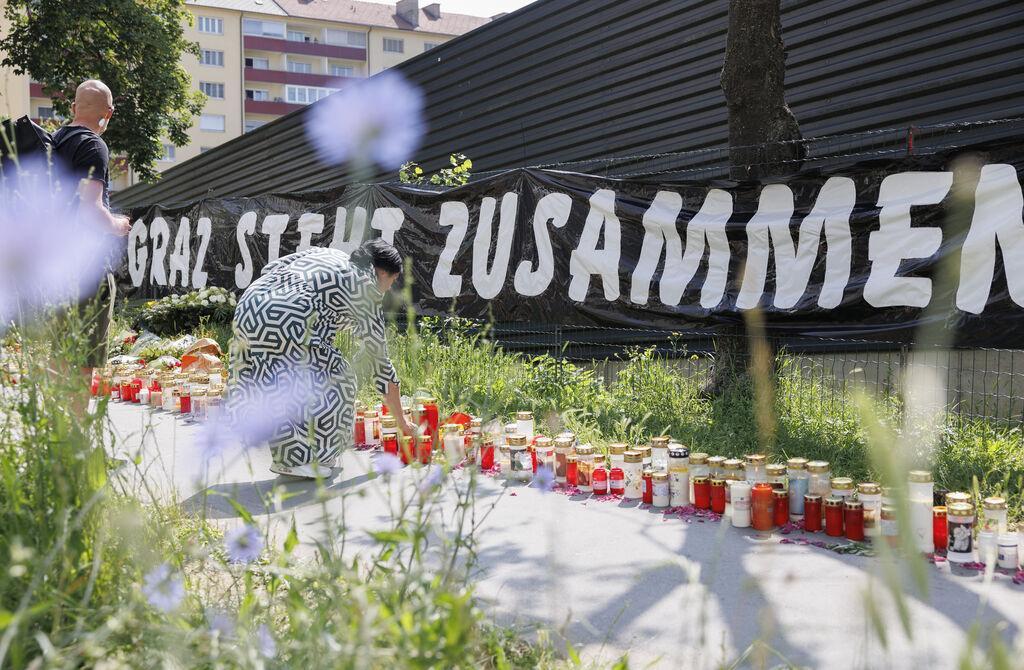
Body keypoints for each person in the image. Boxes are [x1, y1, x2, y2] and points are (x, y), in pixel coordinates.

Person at [228, 239, 416, 479]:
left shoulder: (328, 254)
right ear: (380, 272)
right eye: (391, 280)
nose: (389, 288)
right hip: (290, 319)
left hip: (249, 308)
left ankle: (296, 456)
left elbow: (271, 269)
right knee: (341, 382)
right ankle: (307, 458)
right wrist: (402, 422)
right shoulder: (365, 285)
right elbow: (380, 361)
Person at [53, 80, 131, 370]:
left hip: (54, 270)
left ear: (73, 107)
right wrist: (118, 224)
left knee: (59, 356)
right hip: (86, 270)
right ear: (108, 113)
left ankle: (53, 417)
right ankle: (74, 417)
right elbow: (91, 210)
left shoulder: (54, 141)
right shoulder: (92, 144)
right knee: (84, 362)